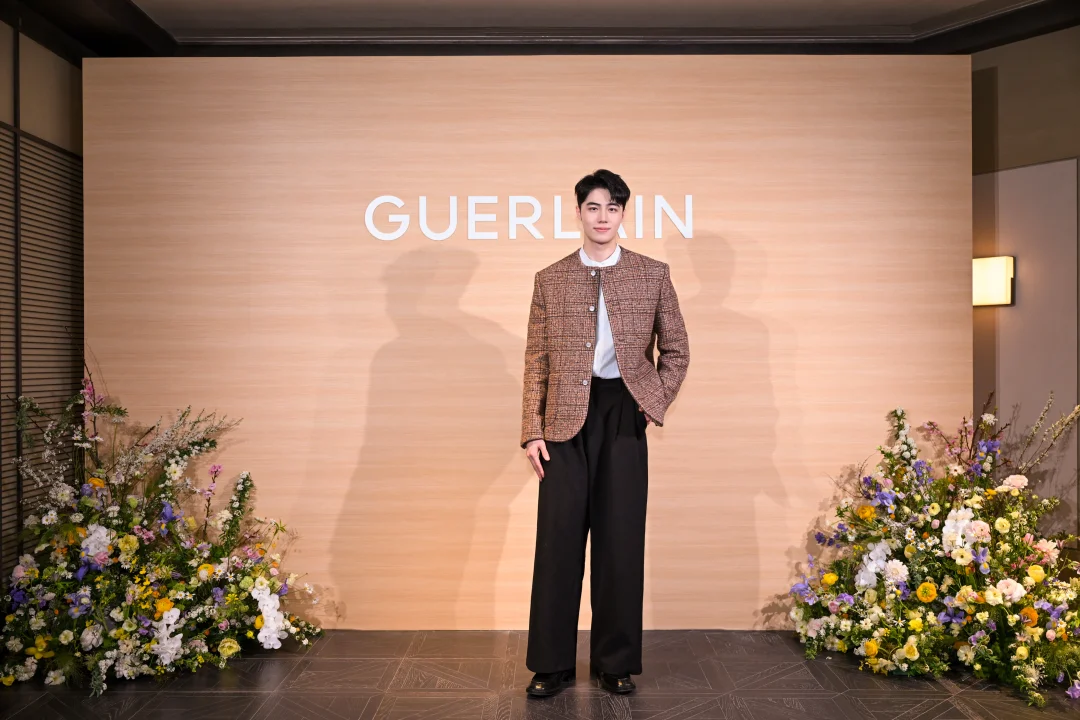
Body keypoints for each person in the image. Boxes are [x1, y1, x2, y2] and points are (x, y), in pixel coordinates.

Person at [520, 169, 690, 697]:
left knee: (620, 540)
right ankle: (551, 665)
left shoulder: (652, 274)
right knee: (558, 544)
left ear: (622, 214)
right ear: (578, 212)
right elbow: (536, 360)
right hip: (563, 420)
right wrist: (531, 430)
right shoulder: (550, 278)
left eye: (612, 208)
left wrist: (651, 401)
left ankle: (614, 662)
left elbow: (677, 350)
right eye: (593, 207)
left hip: (623, 414)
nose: (602, 217)